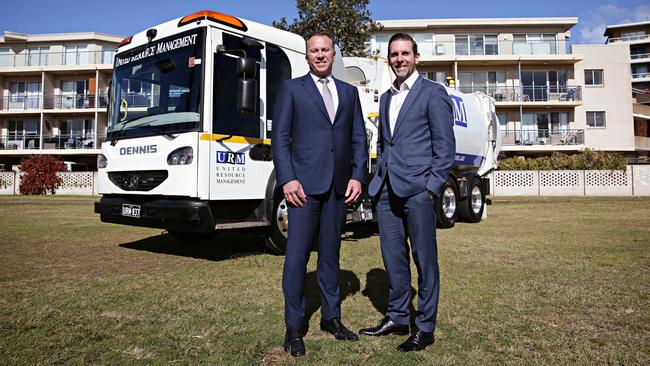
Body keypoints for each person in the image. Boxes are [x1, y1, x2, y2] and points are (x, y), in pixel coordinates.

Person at [271, 32, 368, 357]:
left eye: (326, 49)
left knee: (330, 257)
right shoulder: (292, 89)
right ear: (307, 55)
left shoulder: (350, 93)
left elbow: (359, 140)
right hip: (303, 191)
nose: (321, 55)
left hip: (339, 190)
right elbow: (281, 138)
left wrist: (357, 177)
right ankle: (294, 328)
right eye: (315, 50)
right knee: (297, 258)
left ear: (334, 53)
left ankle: (332, 319)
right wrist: (288, 180)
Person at [360, 33, 455, 352]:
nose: (399, 59)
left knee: (424, 260)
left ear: (416, 57)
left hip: (418, 191)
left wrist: (431, 188)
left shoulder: (434, 93)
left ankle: (425, 327)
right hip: (387, 190)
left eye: (404, 53)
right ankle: (398, 315)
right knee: (393, 258)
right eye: (394, 54)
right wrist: (377, 180)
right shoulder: (386, 97)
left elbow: (445, 147)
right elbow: (386, 143)